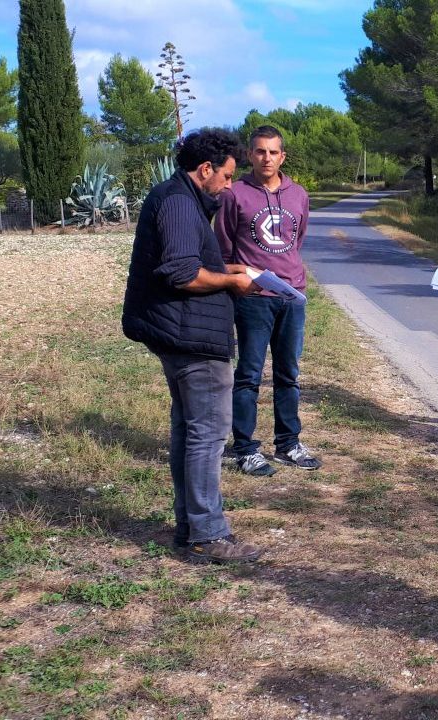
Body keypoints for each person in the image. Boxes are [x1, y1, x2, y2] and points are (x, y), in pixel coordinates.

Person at [121, 128, 263, 564]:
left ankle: (191, 527)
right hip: (191, 337)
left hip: (179, 332)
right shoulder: (181, 203)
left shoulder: (175, 196)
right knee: (206, 436)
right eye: (226, 176)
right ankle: (207, 535)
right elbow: (183, 273)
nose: (228, 185)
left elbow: (188, 260)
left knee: (189, 432)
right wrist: (233, 282)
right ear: (205, 169)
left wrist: (229, 265)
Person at [215, 125, 321, 477]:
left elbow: (297, 239)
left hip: (291, 297)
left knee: (288, 374)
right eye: (260, 151)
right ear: (250, 155)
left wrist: (290, 283)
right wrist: (241, 282)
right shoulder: (236, 194)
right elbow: (223, 250)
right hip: (254, 300)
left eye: (273, 152)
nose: (267, 158)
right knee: (248, 375)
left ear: (283, 156)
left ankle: (288, 443)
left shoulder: (299, 195)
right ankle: (245, 448)